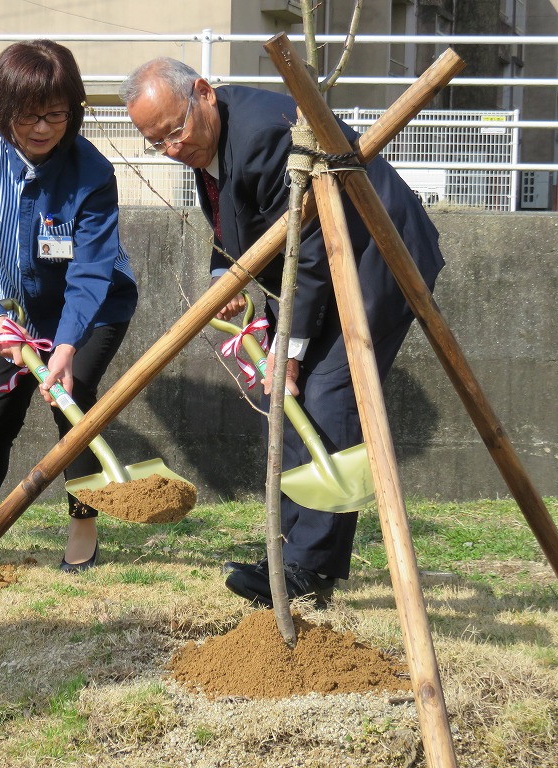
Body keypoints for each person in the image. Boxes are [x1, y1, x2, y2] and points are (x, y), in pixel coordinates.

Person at [120, 58, 445, 606]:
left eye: (175, 131)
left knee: (324, 393)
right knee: (288, 398)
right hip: (318, 267)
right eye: (157, 144)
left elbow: (310, 247)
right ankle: (292, 552)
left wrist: (289, 350)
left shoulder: (267, 134)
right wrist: (226, 273)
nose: (172, 149)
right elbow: (236, 213)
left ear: (203, 93)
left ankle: (307, 570)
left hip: (376, 260)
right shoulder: (210, 134)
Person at [0, 40, 138, 572]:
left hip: (95, 308)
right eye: (28, 116)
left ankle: (83, 523)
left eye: (55, 114)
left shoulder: (92, 170)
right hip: (16, 311)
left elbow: (92, 268)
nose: (43, 128)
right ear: (3, 111)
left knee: (73, 403)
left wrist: (67, 342)